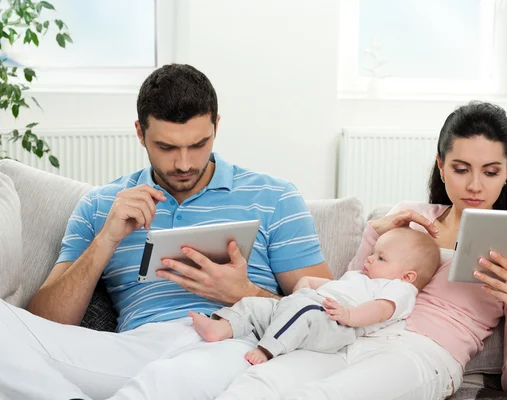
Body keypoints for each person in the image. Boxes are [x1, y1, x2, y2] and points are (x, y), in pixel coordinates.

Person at [0, 64, 333, 400]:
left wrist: (244, 292)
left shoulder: (275, 198)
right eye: (167, 147)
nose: (185, 164)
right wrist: (106, 239)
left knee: (171, 380)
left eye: (198, 144)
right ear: (140, 133)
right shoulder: (100, 205)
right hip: (133, 349)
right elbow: (46, 321)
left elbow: (334, 313)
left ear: (216, 127)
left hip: (230, 343)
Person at [216, 101, 507, 400]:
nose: (475, 185)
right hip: (352, 334)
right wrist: (373, 235)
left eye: (490, 171)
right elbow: (352, 289)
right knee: (256, 383)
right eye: (461, 169)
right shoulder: (409, 216)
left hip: (423, 354)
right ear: (441, 166)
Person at [191, 227, 440, 365]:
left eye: (381, 258)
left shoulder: (399, 289)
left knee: (304, 312)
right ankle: (222, 327)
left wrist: (349, 315)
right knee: (256, 304)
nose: (370, 258)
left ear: (407, 276)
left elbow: (381, 309)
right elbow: (329, 285)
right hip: (312, 308)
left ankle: (267, 350)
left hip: (338, 326)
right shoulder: (360, 278)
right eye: (374, 252)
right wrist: (306, 282)